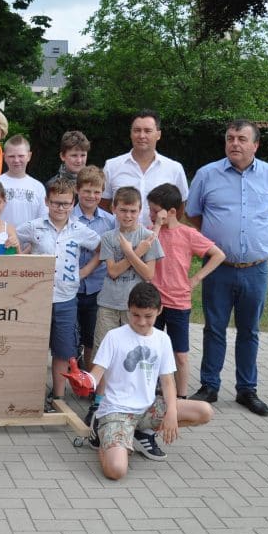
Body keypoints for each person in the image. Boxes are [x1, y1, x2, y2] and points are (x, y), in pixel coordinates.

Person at [185, 120, 268, 416]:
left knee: (249, 330)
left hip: (256, 269)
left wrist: (260, 239)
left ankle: (247, 389)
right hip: (218, 268)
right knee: (214, 328)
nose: (235, 143)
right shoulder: (207, 175)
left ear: (255, 145)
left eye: (242, 139)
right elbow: (194, 215)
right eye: (230, 138)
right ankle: (209, 385)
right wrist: (219, 244)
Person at [85, 282, 214, 479]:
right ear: (128, 310)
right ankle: (102, 435)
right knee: (116, 471)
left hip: (148, 407)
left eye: (148, 316)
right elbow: (97, 372)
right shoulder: (114, 337)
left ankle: (141, 432)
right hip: (116, 411)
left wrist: (171, 412)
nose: (142, 322)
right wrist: (85, 380)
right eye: (135, 315)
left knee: (204, 411)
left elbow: (168, 381)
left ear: (159, 311)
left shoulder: (162, 339)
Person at [89, 185, 164, 456]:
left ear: (140, 211)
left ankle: (130, 406)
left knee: (131, 356)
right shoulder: (110, 236)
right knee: (103, 356)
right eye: (123, 210)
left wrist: (133, 250)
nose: (128, 215)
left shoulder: (149, 237)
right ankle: (99, 405)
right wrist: (135, 252)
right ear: (114, 209)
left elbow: (149, 275)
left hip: (135, 310)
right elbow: (111, 271)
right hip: (109, 303)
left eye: (133, 211)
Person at [15, 178, 101, 411]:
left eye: (65, 204)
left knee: (63, 349)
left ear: (73, 203)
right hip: (37, 297)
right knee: (35, 347)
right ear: (47, 202)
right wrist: (22, 260)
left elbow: (101, 249)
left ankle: (58, 398)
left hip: (66, 297)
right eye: (55, 203)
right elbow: (12, 240)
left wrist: (84, 271)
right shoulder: (34, 227)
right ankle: (31, 394)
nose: (60, 208)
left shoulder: (80, 230)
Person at [146, 183, 225, 398]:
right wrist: (156, 226)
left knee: (180, 354)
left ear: (171, 212)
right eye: (150, 210)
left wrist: (197, 278)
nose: (151, 214)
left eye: (155, 210)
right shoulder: (151, 232)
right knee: (151, 350)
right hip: (154, 301)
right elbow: (147, 247)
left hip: (178, 302)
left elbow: (218, 255)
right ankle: (148, 391)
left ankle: (181, 397)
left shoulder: (188, 234)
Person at [100, 110, 188, 226]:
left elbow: (180, 207)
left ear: (158, 135)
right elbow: (103, 204)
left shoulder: (174, 168)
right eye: (137, 130)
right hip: (120, 239)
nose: (142, 136)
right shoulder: (112, 166)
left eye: (148, 131)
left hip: (159, 240)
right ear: (131, 133)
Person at [72, 166, 116, 370]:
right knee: (69, 336)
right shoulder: (67, 217)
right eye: (87, 191)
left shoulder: (110, 221)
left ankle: (88, 380)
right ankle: (66, 377)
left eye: (97, 191)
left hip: (97, 287)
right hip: (69, 286)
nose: (91, 196)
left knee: (92, 336)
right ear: (77, 190)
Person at [0, 135, 47, 228]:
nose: (16, 160)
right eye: (11, 156)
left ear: (29, 156)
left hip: (30, 241)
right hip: (1, 240)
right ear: (4, 157)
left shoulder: (38, 187)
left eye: (21, 156)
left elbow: (43, 220)